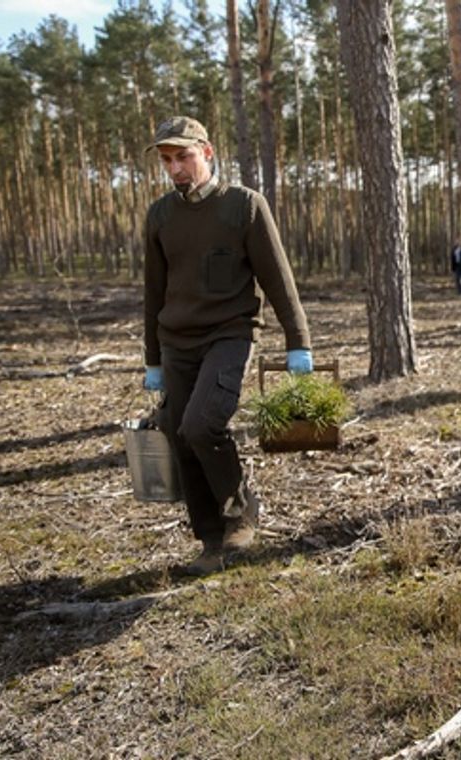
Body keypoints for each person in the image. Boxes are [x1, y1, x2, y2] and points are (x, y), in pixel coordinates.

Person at [142, 116, 314, 577]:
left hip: (229, 336)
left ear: (208, 152)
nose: (175, 168)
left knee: (201, 425)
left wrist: (298, 342)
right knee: (180, 435)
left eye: (184, 156)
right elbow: (153, 292)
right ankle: (210, 539)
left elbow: (278, 280)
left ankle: (242, 510)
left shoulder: (244, 207)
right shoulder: (160, 216)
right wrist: (152, 360)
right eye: (167, 160)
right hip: (176, 341)